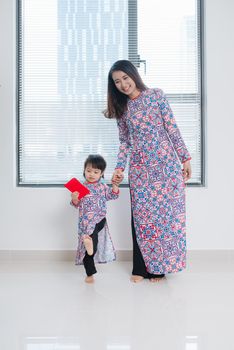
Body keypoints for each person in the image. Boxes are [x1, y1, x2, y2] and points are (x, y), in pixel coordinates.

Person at [104, 60, 192, 283]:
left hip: (167, 166)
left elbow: (171, 127)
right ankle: (142, 267)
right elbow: (124, 142)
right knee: (143, 219)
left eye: (125, 78)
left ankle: (159, 268)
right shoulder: (122, 108)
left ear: (133, 75)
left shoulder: (156, 95)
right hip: (140, 170)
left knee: (166, 218)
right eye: (117, 82)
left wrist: (185, 158)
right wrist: (119, 168)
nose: (123, 84)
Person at [70, 154, 119, 283]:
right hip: (86, 222)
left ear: (101, 173)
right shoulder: (80, 187)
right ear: (84, 170)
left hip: (100, 219)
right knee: (92, 247)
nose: (91, 174)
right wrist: (74, 198)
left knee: (93, 240)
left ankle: (88, 240)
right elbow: (76, 204)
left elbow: (113, 196)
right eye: (88, 171)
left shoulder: (103, 187)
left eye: (96, 172)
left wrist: (115, 185)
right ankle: (90, 273)